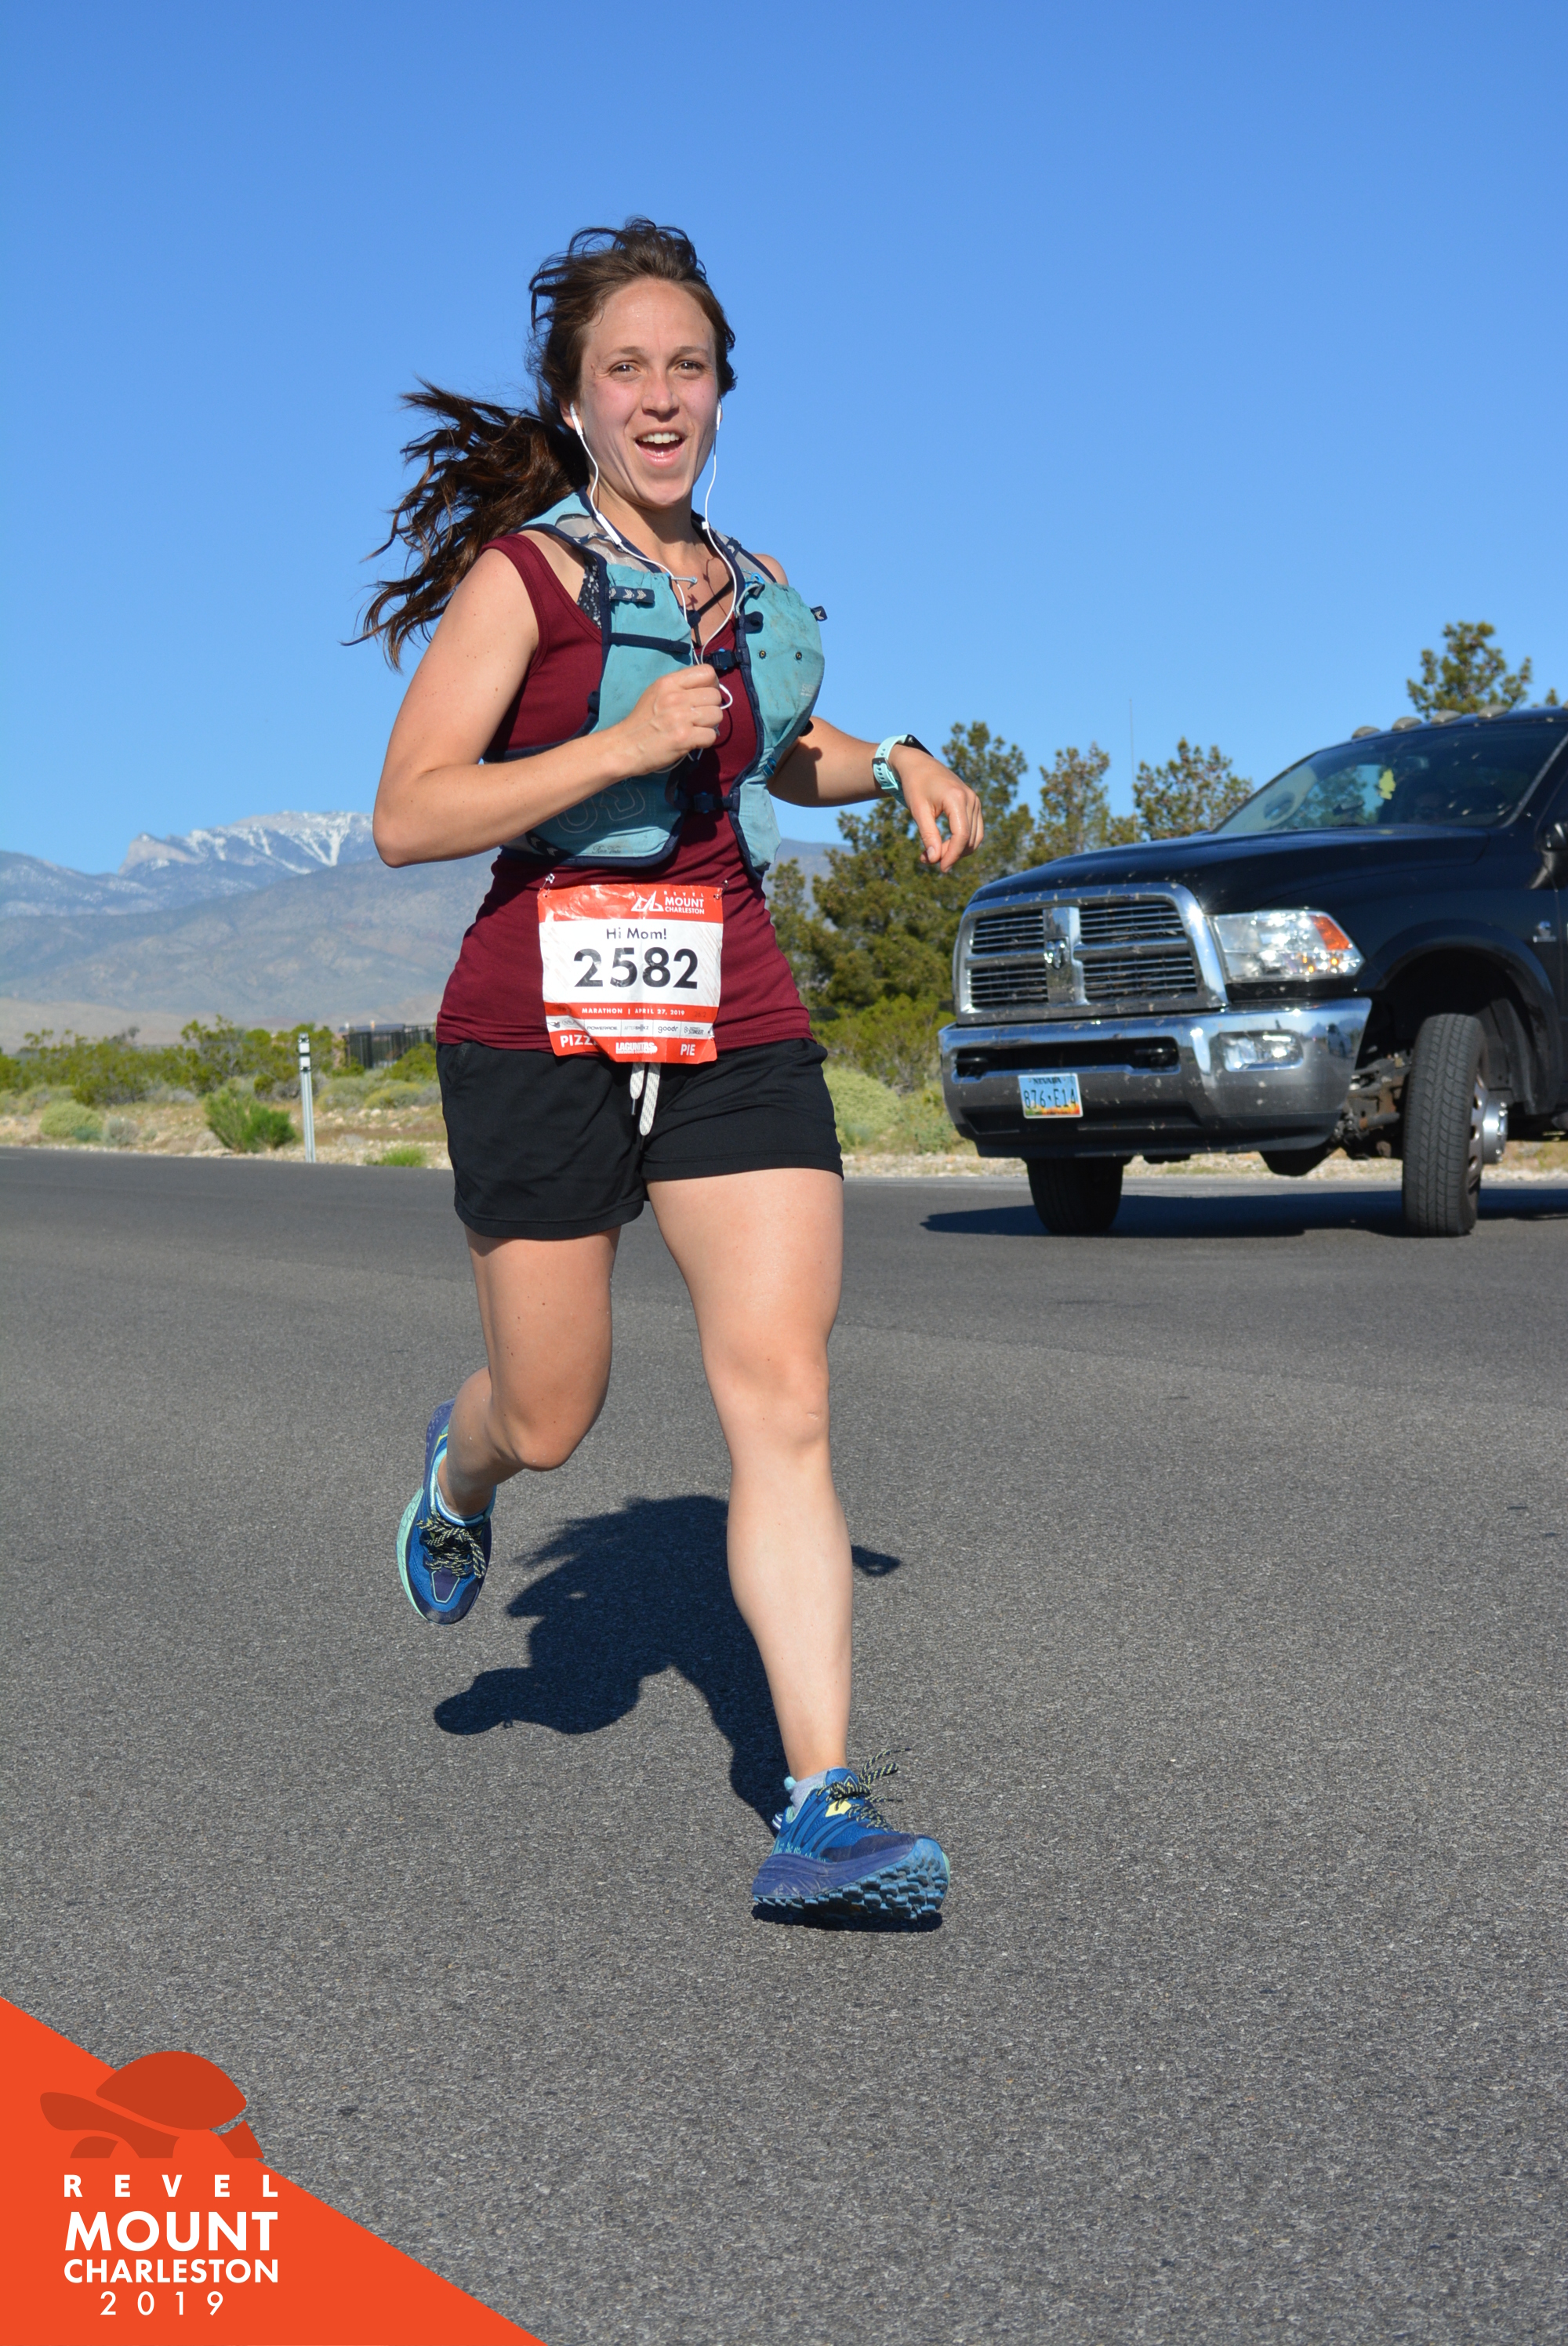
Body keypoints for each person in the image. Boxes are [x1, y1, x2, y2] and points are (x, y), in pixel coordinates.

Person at [365, 220, 982, 1920]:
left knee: (782, 1394)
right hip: (538, 1021)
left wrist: (897, 758)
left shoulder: (752, 584)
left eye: (686, 367)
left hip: (731, 1012)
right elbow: (409, 811)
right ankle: (463, 1465)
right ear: (575, 401)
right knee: (551, 1413)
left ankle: (823, 1808)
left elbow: (779, 749)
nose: (659, 395)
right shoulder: (527, 581)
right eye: (624, 367)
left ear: (720, 393)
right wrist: (612, 746)